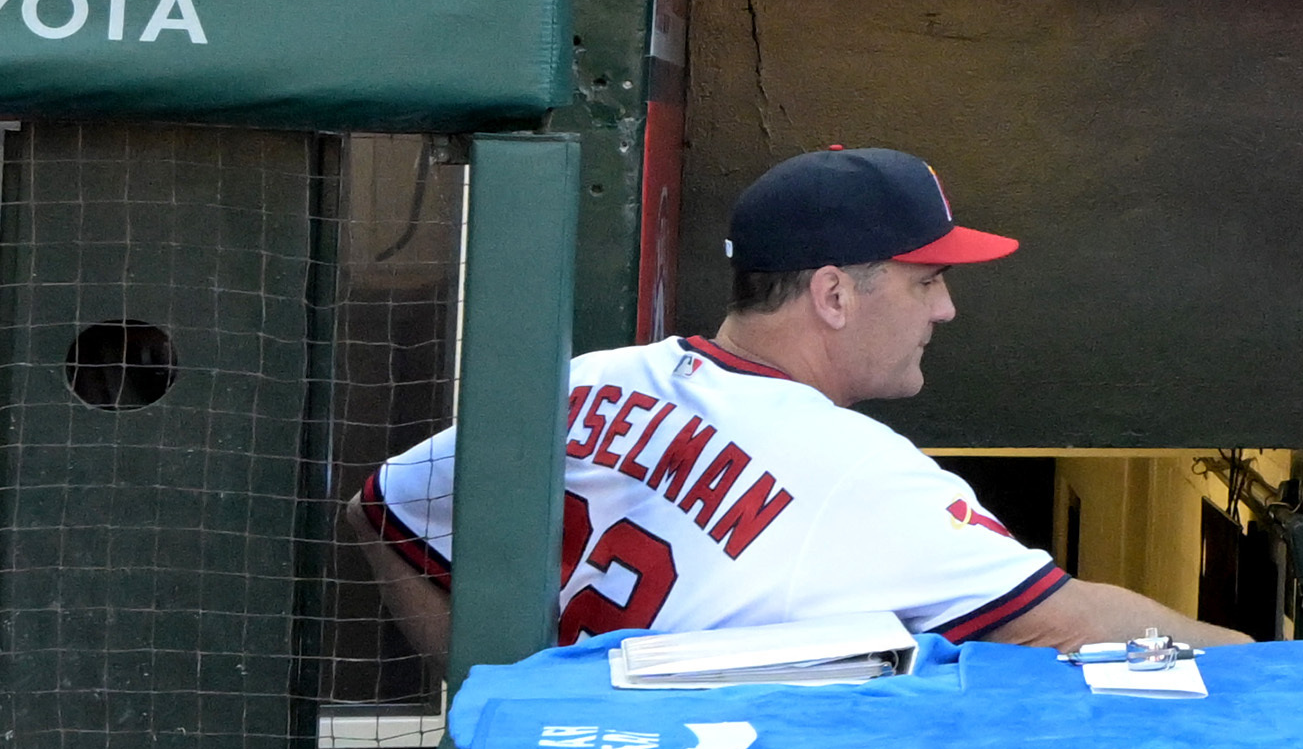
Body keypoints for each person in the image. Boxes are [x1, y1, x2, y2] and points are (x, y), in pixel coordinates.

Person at [357, 148, 1256, 656]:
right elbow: (1066, 625)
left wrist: (494, 715)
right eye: (927, 281)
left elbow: (380, 509)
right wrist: (1267, 663)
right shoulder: (856, 472)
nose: (946, 308)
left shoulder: (597, 377)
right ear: (833, 295)